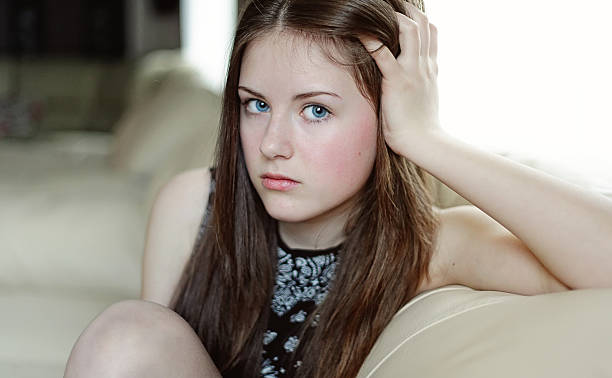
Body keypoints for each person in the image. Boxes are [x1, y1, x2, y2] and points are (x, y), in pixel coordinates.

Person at [64, 0, 612, 377]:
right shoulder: (192, 206)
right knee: (129, 331)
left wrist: (427, 139)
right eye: (256, 104)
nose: (272, 143)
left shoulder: (433, 248)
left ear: (387, 115)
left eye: (316, 110)